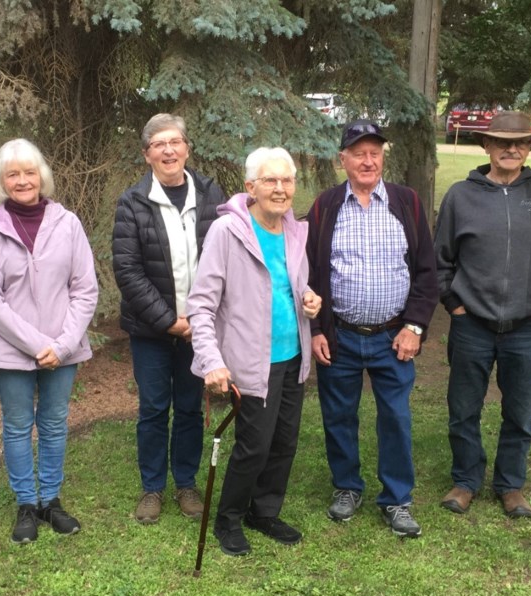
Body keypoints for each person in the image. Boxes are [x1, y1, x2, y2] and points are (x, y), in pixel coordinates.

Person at [433, 111, 531, 518]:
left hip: (529, 328)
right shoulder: (461, 196)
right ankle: (465, 481)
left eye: (520, 143)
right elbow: (441, 260)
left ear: (530, 147)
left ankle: (511, 485)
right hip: (472, 325)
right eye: (502, 142)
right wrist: (454, 305)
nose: (511, 149)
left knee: (521, 411)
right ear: (487, 146)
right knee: (463, 409)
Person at [306, 119, 439, 538]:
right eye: (359, 153)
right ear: (342, 159)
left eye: (375, 153)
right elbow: (310, 273)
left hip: (393, 337)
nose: (368, 161)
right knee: (338, 415)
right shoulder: (325, 206)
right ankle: (347, 487)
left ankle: (397, 498)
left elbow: (426, 272)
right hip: (340, 335)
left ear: (383, 157)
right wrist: (318, 330)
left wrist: (415, 327)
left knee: (396, 417)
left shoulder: (407, 202)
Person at [188, 147, 321, 556]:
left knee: (284, 442)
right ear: (250, 187)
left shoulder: (296, 229)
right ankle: (228, 518)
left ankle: (264, 512)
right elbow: (201, 304)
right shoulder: (228, 232)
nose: (280, 189)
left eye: (287, 181)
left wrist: (309, 298)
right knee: (254, 446)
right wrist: (212, 360)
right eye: (270, 180)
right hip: (250, 361)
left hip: (292, 356)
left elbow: (290, 285)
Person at [0, 139, 99, 543]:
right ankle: (26, 504)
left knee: (54, 422)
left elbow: (85, 290)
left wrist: (60, 345)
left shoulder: (68, 223)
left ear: (41, 176)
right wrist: (35, 344)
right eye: (13, 174)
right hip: (11, 351)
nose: (23, 180)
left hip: (64, 347)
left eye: (29, 172)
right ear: (2, 181)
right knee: (16, 426)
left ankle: (51, 501)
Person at [112, 114, 228, 524]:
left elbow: (226, 257)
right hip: (152, 331)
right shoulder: (133, 202)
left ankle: (186, 483)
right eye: (158, 144)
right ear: (147, 155)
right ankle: (152, 488)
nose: (168, 150)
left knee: (191, 408)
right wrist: (169, 321)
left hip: (201, 329)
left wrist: (200, 322)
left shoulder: (212, 195)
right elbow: (127, 270)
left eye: (175, 142)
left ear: (187, 148)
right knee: (154, 409)